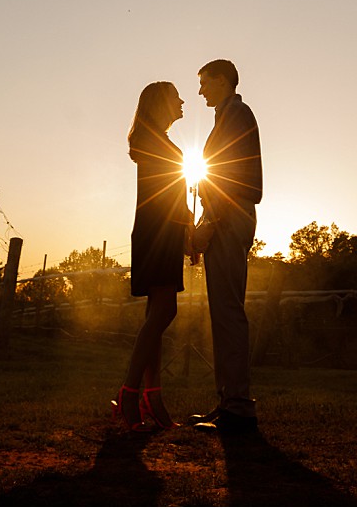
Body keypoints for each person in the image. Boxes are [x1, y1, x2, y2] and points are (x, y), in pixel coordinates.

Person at [111, 80, 192, 432]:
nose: (183, 101)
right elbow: (167, 195)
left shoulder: (156, 141)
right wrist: (188, 230)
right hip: (159, 231)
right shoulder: (155, 142)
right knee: (164, 311)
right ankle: (130, 393)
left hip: (160, 231)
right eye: (176, 97)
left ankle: (151, 395)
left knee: (156, 316)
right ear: (161, 103)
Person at [189, 58, 262, 433]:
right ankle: (229, 401)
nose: (199, 90)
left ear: (222, 81)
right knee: (222, 309)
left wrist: (209, 224)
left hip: (230, 220)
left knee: (228, 309)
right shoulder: (226, 116)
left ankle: (238, 405)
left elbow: (230, 177)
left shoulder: (236, 115)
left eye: (204, 82)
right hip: (225, 218)